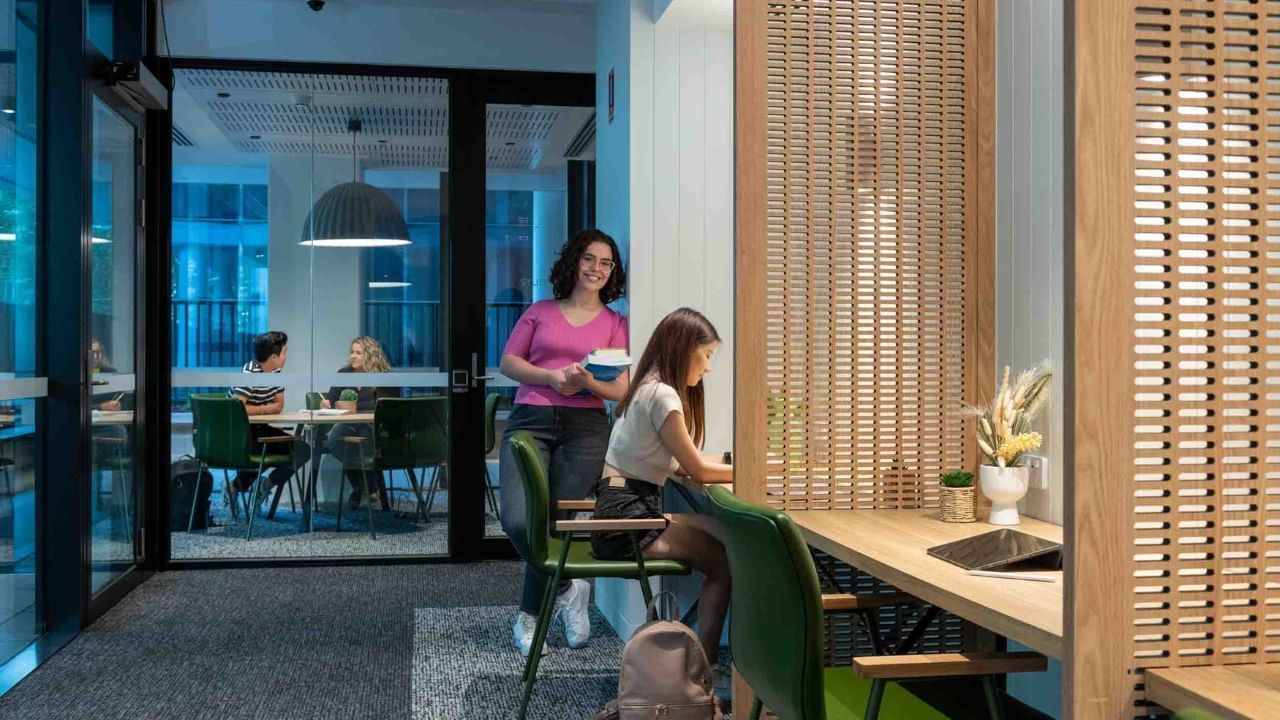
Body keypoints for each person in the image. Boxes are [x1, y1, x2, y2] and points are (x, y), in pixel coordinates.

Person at [499, 228, 630, 656]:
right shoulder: (540, 311)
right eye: (589, 259)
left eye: (605, 263)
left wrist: (588, 380)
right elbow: (508, 363)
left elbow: (621, 391)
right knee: (518, 520)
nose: (596, 268)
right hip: (530, 419)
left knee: (560, 525)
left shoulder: (615, 324)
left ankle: (529, 615)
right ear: (574, 262)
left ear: (613, 273)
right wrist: (553, 377)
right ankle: (572, 586)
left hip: (586, 427)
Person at [591, 307, 733, 669]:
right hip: (627, 521)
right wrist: (756, 472)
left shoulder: (647, 386)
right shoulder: (663, 396)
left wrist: (733, 463)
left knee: (727, 532)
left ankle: (705, 658)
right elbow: (697, 470)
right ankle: (706, 668)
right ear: (686, 349)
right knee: (723, 564)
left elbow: (683, 463)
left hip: (621, 508)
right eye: (707, 356)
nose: (708, 368)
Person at [228, 331, 309, 510]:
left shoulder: (276, 372)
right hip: (239, 433)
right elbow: (237, 409)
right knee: (262, 452)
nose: (286, 356)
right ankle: (234, 488)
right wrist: (266, 408)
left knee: (302, 450)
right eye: (285, 352)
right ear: (274, 356)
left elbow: (278, 405)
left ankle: (265, 486)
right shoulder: (250, 373)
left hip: (260, 429)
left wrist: (255, 410)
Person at [323, 336, 399, 510]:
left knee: (363, 437)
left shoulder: (382, 376)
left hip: (375, 428)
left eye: (358, 352)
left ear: (370, 355)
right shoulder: (343, 375)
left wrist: (352, 405)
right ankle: (367, 487)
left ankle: (360, 488)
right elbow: (332, 400)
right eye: (352, 352)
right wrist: (327, 403)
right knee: (337, 437)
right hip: (348, 427)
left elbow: (384, 404)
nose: (353, 356)